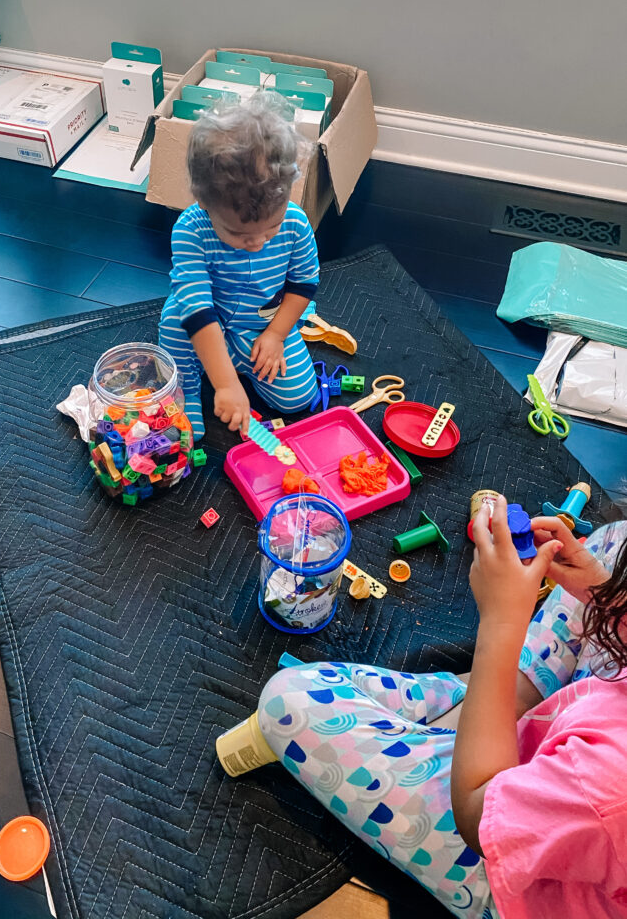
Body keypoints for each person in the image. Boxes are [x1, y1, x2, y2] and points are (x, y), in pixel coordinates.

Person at [255, 499, 627, 918]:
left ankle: (485, 701)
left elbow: (477, 819)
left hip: (513, 862)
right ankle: (504, 698)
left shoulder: (608, 780)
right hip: (570, 755)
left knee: (290, 698)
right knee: (613, 542)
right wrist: (608, 596)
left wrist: (501, 627)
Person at [159, 94, 320, 442]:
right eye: (239, 233)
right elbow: (198, 309)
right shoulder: (191, 229)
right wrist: (227, 384)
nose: (259, 242)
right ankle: (187, 390)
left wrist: (276, 335)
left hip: (259, 325)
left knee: (299, 399)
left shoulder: (295, 222)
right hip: (203, 323)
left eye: (270, 228)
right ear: (203, 203)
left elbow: (304, 284)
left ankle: (231, 363)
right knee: (174, 325)